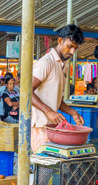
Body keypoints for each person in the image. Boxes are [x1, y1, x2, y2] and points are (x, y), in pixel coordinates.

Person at [31, 24, 85, 153]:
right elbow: (25, 91)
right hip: (40, 127)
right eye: (70, 46)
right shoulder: (46, 62)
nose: (72, 52)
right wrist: (49, 111)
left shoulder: (62, 66)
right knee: (45, 167)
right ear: (60, 40)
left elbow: (55, 100)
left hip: (51, 127)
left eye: (75, 48)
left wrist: (73, 112)